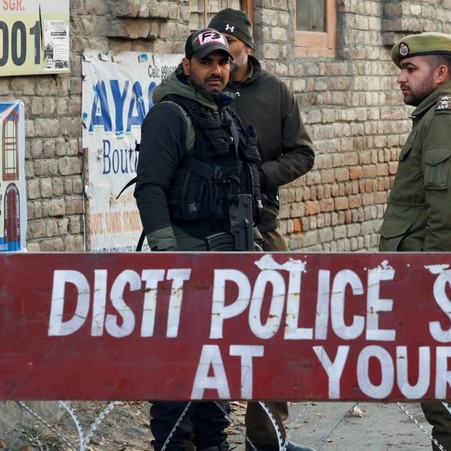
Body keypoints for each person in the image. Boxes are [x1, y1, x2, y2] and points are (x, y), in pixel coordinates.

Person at [135, 28, 262, 451]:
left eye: (223, 62)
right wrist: (168, 256)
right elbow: (150, 188)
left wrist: (254, 246)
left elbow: (241, 187)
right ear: (187, 66)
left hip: (226, 258)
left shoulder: (225, 113)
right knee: (179, 369)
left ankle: (212, 444)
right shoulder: (171, 115)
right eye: (206, 62)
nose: (216, 70)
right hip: (187, 259)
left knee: (216, 366)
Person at [206, 8, 316, 451]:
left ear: (247, 48)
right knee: (208, 333)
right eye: (214, 54)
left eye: (229, 52)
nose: (222, 64)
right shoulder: (196, 90)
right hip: (207, 229)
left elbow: (303, 154)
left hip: (261, 223)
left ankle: (267, 439)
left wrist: (258, 176)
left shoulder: (275, 93)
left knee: (277, 328)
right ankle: (207, 436)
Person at [379, 32, 451, 451]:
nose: (401, 79)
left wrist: (433, 278)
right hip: (433, 271)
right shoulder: (445, 113)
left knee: (437, 378)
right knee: (441, 376)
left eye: (411, 69)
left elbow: (448, 211)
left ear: (440, 73)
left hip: (431, 275)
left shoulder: (444, 119)